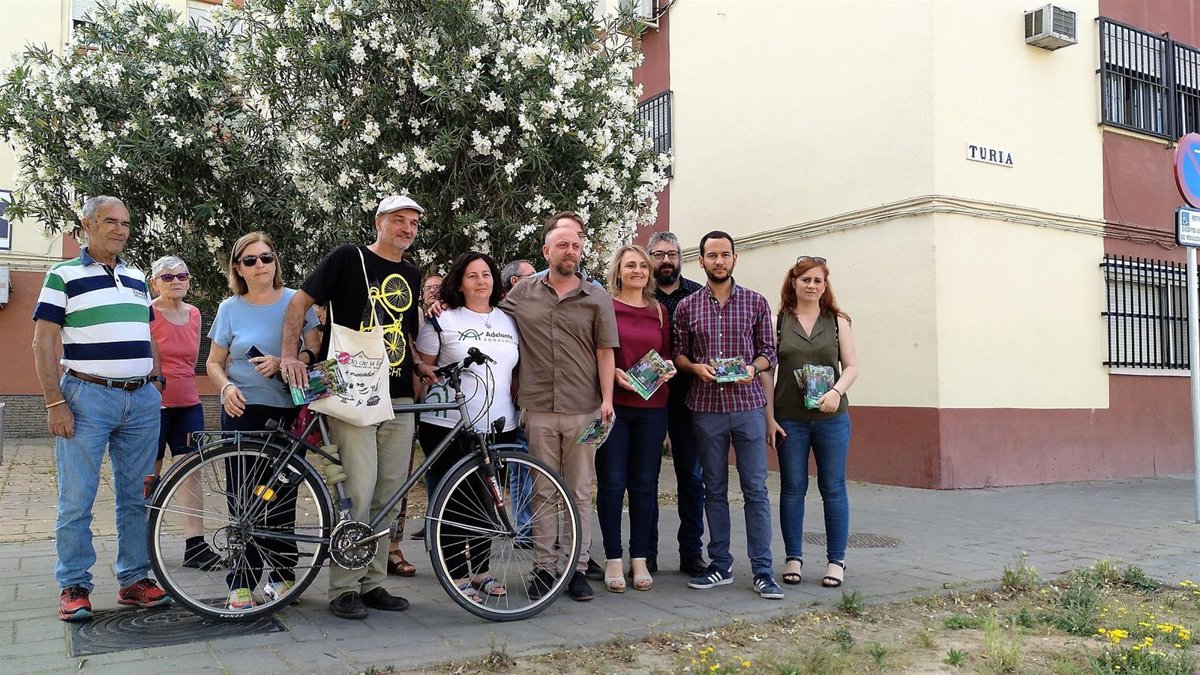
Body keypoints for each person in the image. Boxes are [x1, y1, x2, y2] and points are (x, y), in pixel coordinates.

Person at [280, 194, 435, 619]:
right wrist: (290, 354)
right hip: (352, 390)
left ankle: (373, 582)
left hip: (398, 395)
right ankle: (344, 587)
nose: (407, 229)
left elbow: (403, 330)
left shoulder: (411, 273)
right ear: (379, 221)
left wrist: (419, 365)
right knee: (359, 492)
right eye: (399, 220)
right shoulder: (348, 258)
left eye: (413, 223)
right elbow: (298, 304)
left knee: (390, 494)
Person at [32, 195, 171, 621]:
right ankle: (74, 584)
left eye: (125, 223)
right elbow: (42, 342)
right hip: (86, 397)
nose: (120, 230)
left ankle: (134, 580)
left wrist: (156, 383)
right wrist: (54, 402)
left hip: (141, 399)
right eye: (110, 221)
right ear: (87, 225)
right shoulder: (63, 275)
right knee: (77, 497)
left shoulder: (136, 277)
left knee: (136, 496)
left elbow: (147, 335)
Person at [498, 211, 619, 602]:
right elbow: (490, 321)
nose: (570, 250)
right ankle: (544, 568)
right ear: (546, 250)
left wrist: (607, 400)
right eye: (563, 244)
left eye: (576, 245)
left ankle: (576, 569)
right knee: (543, 490)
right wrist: (441, 307)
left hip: (584, 408)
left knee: (579, 492)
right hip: (538, 409)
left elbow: (605, 351)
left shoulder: (596, 297)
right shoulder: (523, 294)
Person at [205, 231, 321, 610]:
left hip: (286, 410)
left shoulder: (295, 300)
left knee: (280, 494)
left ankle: (282, 574)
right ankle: (242, 579)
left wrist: (288, 360)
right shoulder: (229, 308)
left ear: (276, 262)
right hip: (242, 411)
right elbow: (213, 362)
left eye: (266, 257)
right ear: (238, 268)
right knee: (242, 497)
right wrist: (225, 388)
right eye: (250, 260)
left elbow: (314, 348)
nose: (260, 266)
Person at [671, 230, 784, 600]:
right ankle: (720, 564)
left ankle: (763, 571)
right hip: (706, 409)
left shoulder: (755, 302)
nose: (718, 261)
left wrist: (753, 367)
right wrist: (694, 368)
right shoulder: (687, 307)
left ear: (735, 258)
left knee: (756, 490)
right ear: (701, 261)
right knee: (714, 489)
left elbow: (769, 352)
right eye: (712, 255)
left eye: (724, 254)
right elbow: (678, 354)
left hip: (748, 407)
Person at [415, 251, 520, 602]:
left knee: (488, 501)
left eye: (486, 274)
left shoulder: (508, 320)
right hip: (447, 424)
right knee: (455, 502)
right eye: (472, 275)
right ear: (459, 282)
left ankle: (482, 572)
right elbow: (424, 371)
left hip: (499, 424)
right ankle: (456, 574)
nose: (480, 281)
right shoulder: (443, 319)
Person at [764, 256, 859, 588]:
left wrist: (836, 391)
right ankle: (793, 557)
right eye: (805, 279)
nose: (812, 285)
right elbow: (767, 372)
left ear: (825, 285)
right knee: (792, 488)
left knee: (833, 488)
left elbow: (851, 366)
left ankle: (836, 561)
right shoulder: (778, 322)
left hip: (832, 419)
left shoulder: (837, 321)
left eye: (818, 280)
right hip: (790, 419)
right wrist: (769, 418)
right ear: (794, 282)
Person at [596, 245, 673, 593]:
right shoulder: (605, 307)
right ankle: (613, 557)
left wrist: (667, 368)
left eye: (643, 265)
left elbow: (666, 352)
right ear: (618, 271)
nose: (638, 270)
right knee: (612, 483)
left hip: (653, 408)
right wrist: (613, 374)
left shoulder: (659, 311)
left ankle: (639, 557)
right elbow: (596, 353)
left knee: (645, 485)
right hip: (615, 406)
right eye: (631, 265)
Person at [148, 255, 222, 571]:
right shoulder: (147, 313)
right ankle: (141, 543)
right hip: (154, 405)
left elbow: (190, 362)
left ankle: (195, 546)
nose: (176, 281)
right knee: (148, 474)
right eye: (167, 277)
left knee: (191, 472)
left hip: (189, 404)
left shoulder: (194, 314)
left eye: (182, 276)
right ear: (155, 283)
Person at [647, 231, 708, 578]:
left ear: (681, 257)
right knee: (645, 478)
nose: (666, 260)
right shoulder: (639, 294)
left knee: (691, 477)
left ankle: (691, 553)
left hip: (689, 398)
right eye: (658, 254)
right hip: (646, 398)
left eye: (671, 254)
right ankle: (646, 553)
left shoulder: (698, 295)